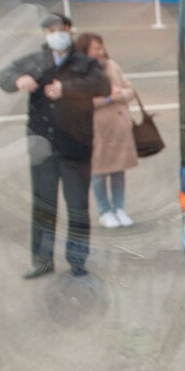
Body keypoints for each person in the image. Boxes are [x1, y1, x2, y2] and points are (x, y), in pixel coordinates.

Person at [0, 13, 109, 279]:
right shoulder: (36, 61)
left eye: (61, 29)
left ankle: (77, 259)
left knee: (77, 206)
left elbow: (103, 85)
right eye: (50, 29)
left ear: (70, 31)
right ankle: (41, 259)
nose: (56, 33)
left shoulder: (84, 63)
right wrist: (17, 80)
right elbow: (5, 75)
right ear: (45, 34)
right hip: (43, 147)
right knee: (44, 205)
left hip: (76, 146)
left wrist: (67, 88)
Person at [75, 32, 138, 229]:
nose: (100, 52)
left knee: (118, 169)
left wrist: (122, 94)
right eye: (95, 49)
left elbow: (130, 90)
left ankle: (119, 208)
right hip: (97, 130)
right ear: (85, 51)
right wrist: (109, 98)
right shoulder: (80, 73)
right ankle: (104, 210)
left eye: (101, 47)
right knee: (99, 172)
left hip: (119, 128)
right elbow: (81, 102)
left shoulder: (113, 66)